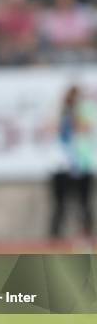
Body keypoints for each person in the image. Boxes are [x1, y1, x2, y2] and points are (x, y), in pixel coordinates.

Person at [50, 85, 96, 239]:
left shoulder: (86, 111)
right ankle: (55, 238)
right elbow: (53, 130)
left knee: (84, 204)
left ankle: (86, 235)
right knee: (60, 206)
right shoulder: (59, 112)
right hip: (61, 165)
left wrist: (75, 115)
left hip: (82, 165)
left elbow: (85, 128)